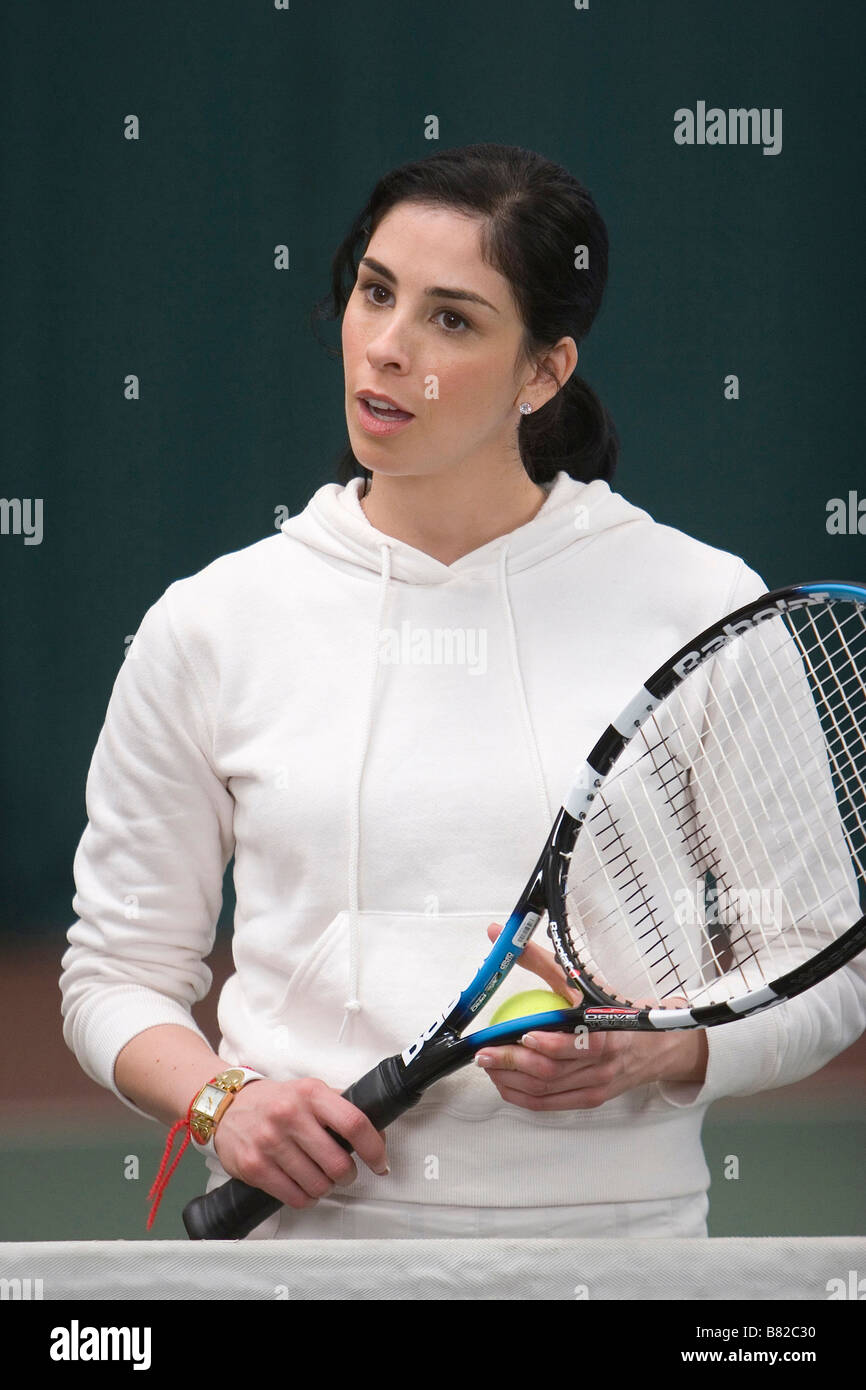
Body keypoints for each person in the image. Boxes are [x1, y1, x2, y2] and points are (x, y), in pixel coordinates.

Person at [60, 143, 866, 1241]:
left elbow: (824, 962)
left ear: (542, 372)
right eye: (374, 292)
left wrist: (667, 1047)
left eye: (452, 319)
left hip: (627, 1265)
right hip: (308, 1269)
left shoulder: (698, 603)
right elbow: (113, 975)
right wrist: (222, 1102)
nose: (387, 349)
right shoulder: (209, 624)